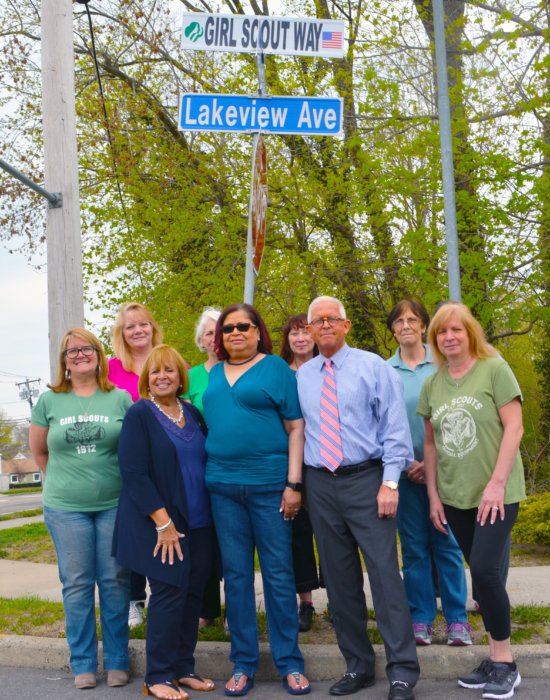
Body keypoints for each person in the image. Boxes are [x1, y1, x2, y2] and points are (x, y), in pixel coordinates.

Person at [296, 296, 419, 700]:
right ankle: (358, 666)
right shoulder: (302, 377)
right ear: (310, 330)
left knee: (385, 577)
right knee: (338, 581)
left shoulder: (373, 367)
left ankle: (402, 671)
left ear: (346, 326)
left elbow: (395, 430)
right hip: (321, 484)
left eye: (333, 319)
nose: (325, 326)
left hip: (368, 480)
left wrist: (390, 483)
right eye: (318, 321)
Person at [418, 302, 525, 700]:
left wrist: (496, 484)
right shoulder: (433, 384)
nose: (449, 337)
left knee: (484, 572)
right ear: (435, 340)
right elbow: (430, 445)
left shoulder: (493, 369)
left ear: (470, 334)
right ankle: (495, 659)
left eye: (456, 331)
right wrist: (433, 496)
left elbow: (514, 428)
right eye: (442, 332)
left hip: (496, 493)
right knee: (480, 575)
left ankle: (505, 663)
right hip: (455, 496)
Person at [202, 303, 310, 697]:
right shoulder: (213, 373)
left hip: (270, 489)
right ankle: (243, 662)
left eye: (243, 327)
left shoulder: (276, 370)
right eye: (228, 329)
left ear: (257, 331)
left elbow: (295, 427)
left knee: (279, 575)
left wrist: (293, 484)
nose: (235, 333)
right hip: (223, 489)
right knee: (237, 577)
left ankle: (289, 663)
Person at [29, 328, 132, 690]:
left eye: (86, 348)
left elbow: (132, 450)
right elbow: (40, 451)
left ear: (98, 354)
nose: (79, 354)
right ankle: (84, 662)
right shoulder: (49, 401)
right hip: (65, 507)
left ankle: (119, 659)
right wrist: (62, 479)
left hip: (114, 505)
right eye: (71, 351)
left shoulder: (119, 399)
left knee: (115, 582)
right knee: (76, 584)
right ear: (64, 361)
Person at [113, 345, 215, 700]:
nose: (162, 377)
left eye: (170, 370)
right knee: (169, 594)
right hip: (159, 525)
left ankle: (183, 667)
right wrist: (162, 523)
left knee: (192, 595)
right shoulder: (140, 414)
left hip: (200, 520)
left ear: (180, 376)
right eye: (155, 372)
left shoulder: (192, 412)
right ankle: (157, 675)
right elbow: (134, 473)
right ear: (146, 378)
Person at [386, 299, 471, 647]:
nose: (406, 325)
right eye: (399, 321)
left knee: (447, 545)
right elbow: (381, 422)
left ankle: (457, 620)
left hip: (445, 472)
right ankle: (420, 618)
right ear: (392, 329)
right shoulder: (383, 370)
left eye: (413, 319)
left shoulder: (441, 365)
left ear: (424, 326)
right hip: (404, 473)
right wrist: (407, 463)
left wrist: (431, 465)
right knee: (415, 549)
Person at [108, 301, 163, 628]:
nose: (138, 330)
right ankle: (134, 601)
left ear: (152, 327)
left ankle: (165, 597)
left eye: (143, 324)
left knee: (163, 527)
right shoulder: (111, 369)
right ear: (122, 334)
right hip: (126, 464)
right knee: (133, 531)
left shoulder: (168, 360)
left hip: (165, 462)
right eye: (130, 326)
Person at [280, 313, 322, 632]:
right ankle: (305, 601)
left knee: (334, 534)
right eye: (294, 334)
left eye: (306, 332)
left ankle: (341, 599)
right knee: (298, 535)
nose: (301, 339)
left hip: (324, 461)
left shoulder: (330, 369)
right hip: (292, 462)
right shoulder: (281, 373)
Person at [184, 307, 223, 628]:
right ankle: (207, 609)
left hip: (233, 464)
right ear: (201, 340)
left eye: (220, 330)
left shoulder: (243, 369)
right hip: (198, 468)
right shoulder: (191, 377)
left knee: (232, 540)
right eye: (209, 332)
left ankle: (236, 609)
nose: (215, 337)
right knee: (203, 539)